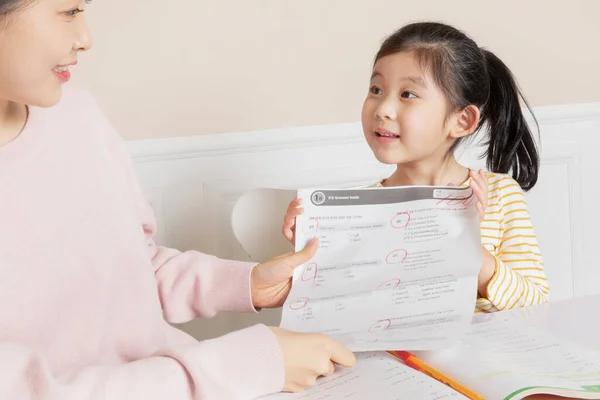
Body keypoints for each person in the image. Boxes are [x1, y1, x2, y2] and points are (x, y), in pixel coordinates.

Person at [0, 1, 356, 398]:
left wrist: (248, 284)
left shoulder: (75, 114)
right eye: (68, 11)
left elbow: (133, 269)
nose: (85, 38)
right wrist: (245, 367)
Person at [282, 22, 549, 313]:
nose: (382, 108)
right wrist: (311, 252)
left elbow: (536, 305)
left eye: (407, 94)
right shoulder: (357, 212)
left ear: (461, 121)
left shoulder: (499, 196)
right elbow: (339, 310)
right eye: (376, 89)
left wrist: (468, 245)